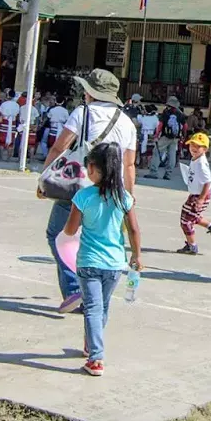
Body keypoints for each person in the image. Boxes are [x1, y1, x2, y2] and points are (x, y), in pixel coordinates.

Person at [39, 69, 138, 314]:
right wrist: (128, 197)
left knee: (58, 233)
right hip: (113, 191)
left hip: (80, 188)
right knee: (93, 240)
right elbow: (129, 164)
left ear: (91, 92)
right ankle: (93, 295)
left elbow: (58, 147)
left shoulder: (82, 112)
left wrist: (44, 179)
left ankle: (75, 288)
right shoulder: (127, 122)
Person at [59, 141, 143, 377]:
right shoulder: (124, 197)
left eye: (89, 168)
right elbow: (134, 229)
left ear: (96, 169)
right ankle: (91, 343)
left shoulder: (83, 196)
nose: (87, 173)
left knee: (93, 309)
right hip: (115, 263)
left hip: (88, 262)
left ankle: (96, 358)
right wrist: (137, 255)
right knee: (102, 307)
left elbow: (69, 230)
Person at [177, 132, 211, 254]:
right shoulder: (195, 159)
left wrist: (201, 199)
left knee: (186, 221)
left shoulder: (201, 163)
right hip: (195, 194)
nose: (194, 148)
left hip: (200, 195)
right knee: (190, 216)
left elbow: (208, 182)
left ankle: (192, 246)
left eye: (198, 146)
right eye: (192, 145)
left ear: (205, 149)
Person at [147, 97, 182, 179]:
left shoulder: (166, 112)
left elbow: (160, 124)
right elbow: (185, 126)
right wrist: (181, 136)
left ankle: (153, 172)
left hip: (165, 136)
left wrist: (156, 135)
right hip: (175, 137)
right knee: (172, 155)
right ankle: (168, 174)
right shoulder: (180, 113)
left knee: (157, 152)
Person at [0, 88, 20, 162]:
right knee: (11, 141)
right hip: (12, 122)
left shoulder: (4, 104)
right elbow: (18, 115)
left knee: (1, 141)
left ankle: (1, 157)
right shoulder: (16, 105)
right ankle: (8, 159)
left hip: (4, 122)